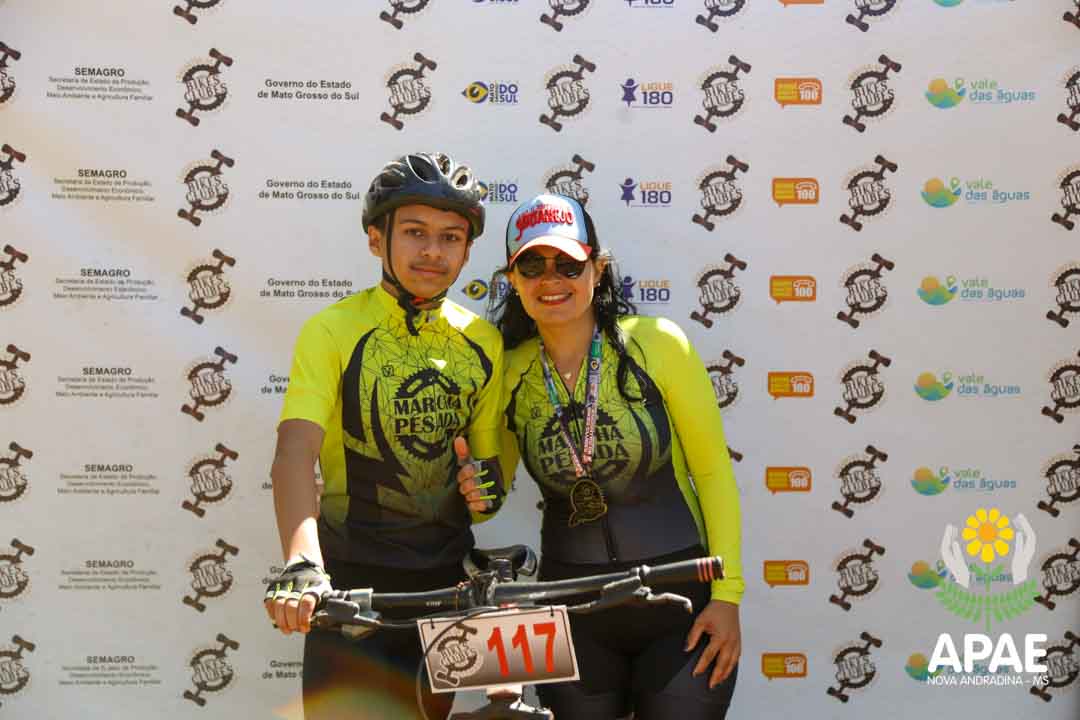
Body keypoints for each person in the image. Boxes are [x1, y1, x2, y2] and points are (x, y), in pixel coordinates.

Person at [458, 193, 744, 719]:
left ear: (598, 268)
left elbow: (712, 473)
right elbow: (490, 499)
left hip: (680, 603)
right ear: (512, 279)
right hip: (571, 611)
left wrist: (727, 597)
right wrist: (475, 492)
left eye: (569, 264)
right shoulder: (508, 368)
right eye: (533, 266)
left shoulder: (659, 344)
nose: (551, 280)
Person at [265, 152, 509, 720]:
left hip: (446, 587)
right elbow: (294, 452)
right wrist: (301, 564)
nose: (433, 251)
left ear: (467, 251)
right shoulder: (332, 330)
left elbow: (489, 475)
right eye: (415, 232)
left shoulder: (483, 341)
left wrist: (485, 488)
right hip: (350, 588)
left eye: (451, 237)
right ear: (377, 240)